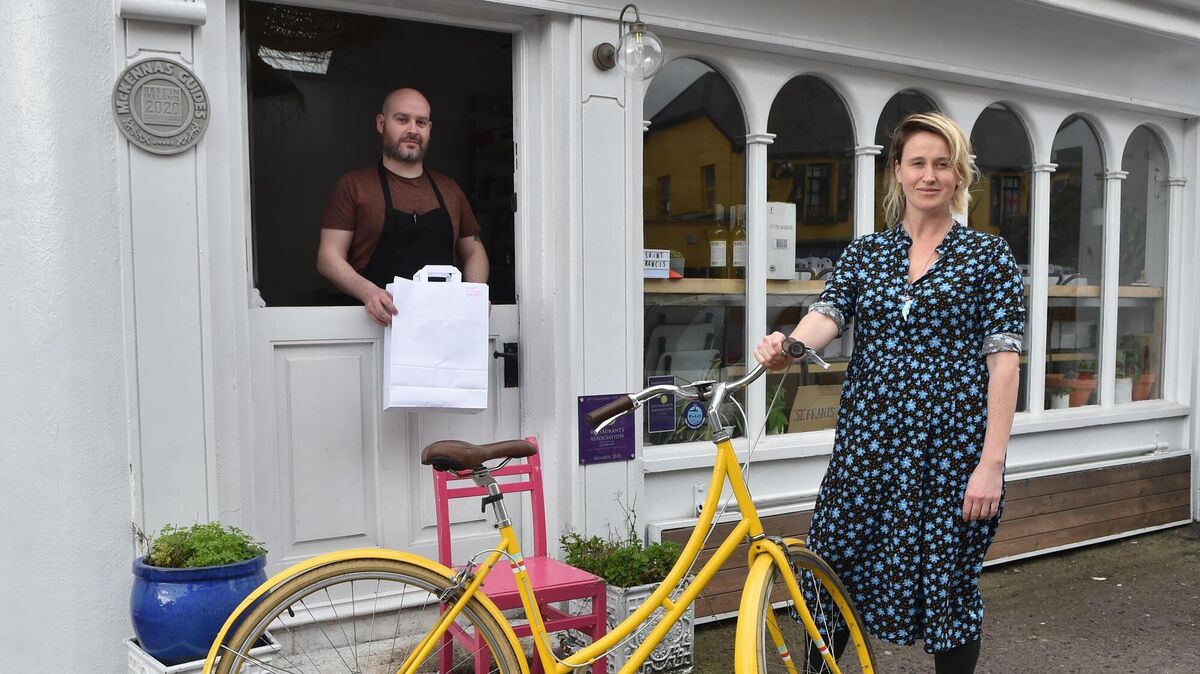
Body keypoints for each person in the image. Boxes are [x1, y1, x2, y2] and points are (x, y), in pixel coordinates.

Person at [754, 112, 1024, 673]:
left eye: (942, 164)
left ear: (959, 175)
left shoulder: (988, 258)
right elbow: (825, 318)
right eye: (918, 163)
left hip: (949, 454)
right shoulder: (866, 254)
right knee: (832, 570)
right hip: (866, 449)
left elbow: (1004, 364)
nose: (930, 175)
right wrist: (788, 346)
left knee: (947, 588)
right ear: (897, 171)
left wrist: (991, 464)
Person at [317, 88, 489, 326]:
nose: (412, 130)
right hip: (375, 329)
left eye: (421, 122)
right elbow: (328, 257)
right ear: (381, 123)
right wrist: (369, 292)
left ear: (430, 129)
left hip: (444, 328)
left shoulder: (450, 190)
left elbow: (475, 251)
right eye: (402, 119)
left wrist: (475, 294)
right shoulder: (354, 186)